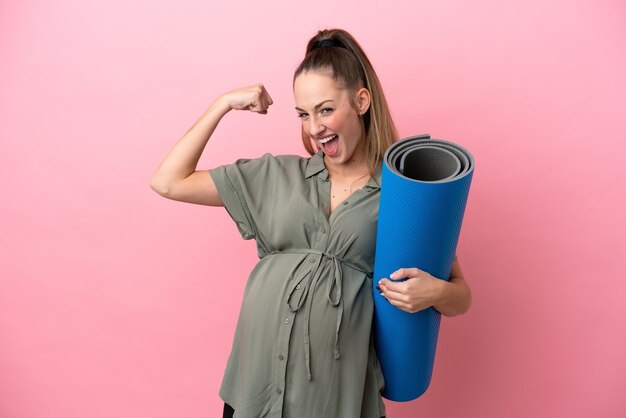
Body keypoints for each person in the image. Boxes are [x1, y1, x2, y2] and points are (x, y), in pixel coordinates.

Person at [150, 28, 471, 418]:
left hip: (337, 403)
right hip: (254, 395)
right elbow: (169, 181)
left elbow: (461, 296)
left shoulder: (403, 197)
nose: (314, 127)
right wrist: (223, 104)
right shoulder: (275, 176)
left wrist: (433, 293)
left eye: (324, 109)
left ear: (361, 101)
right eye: (303, 114)